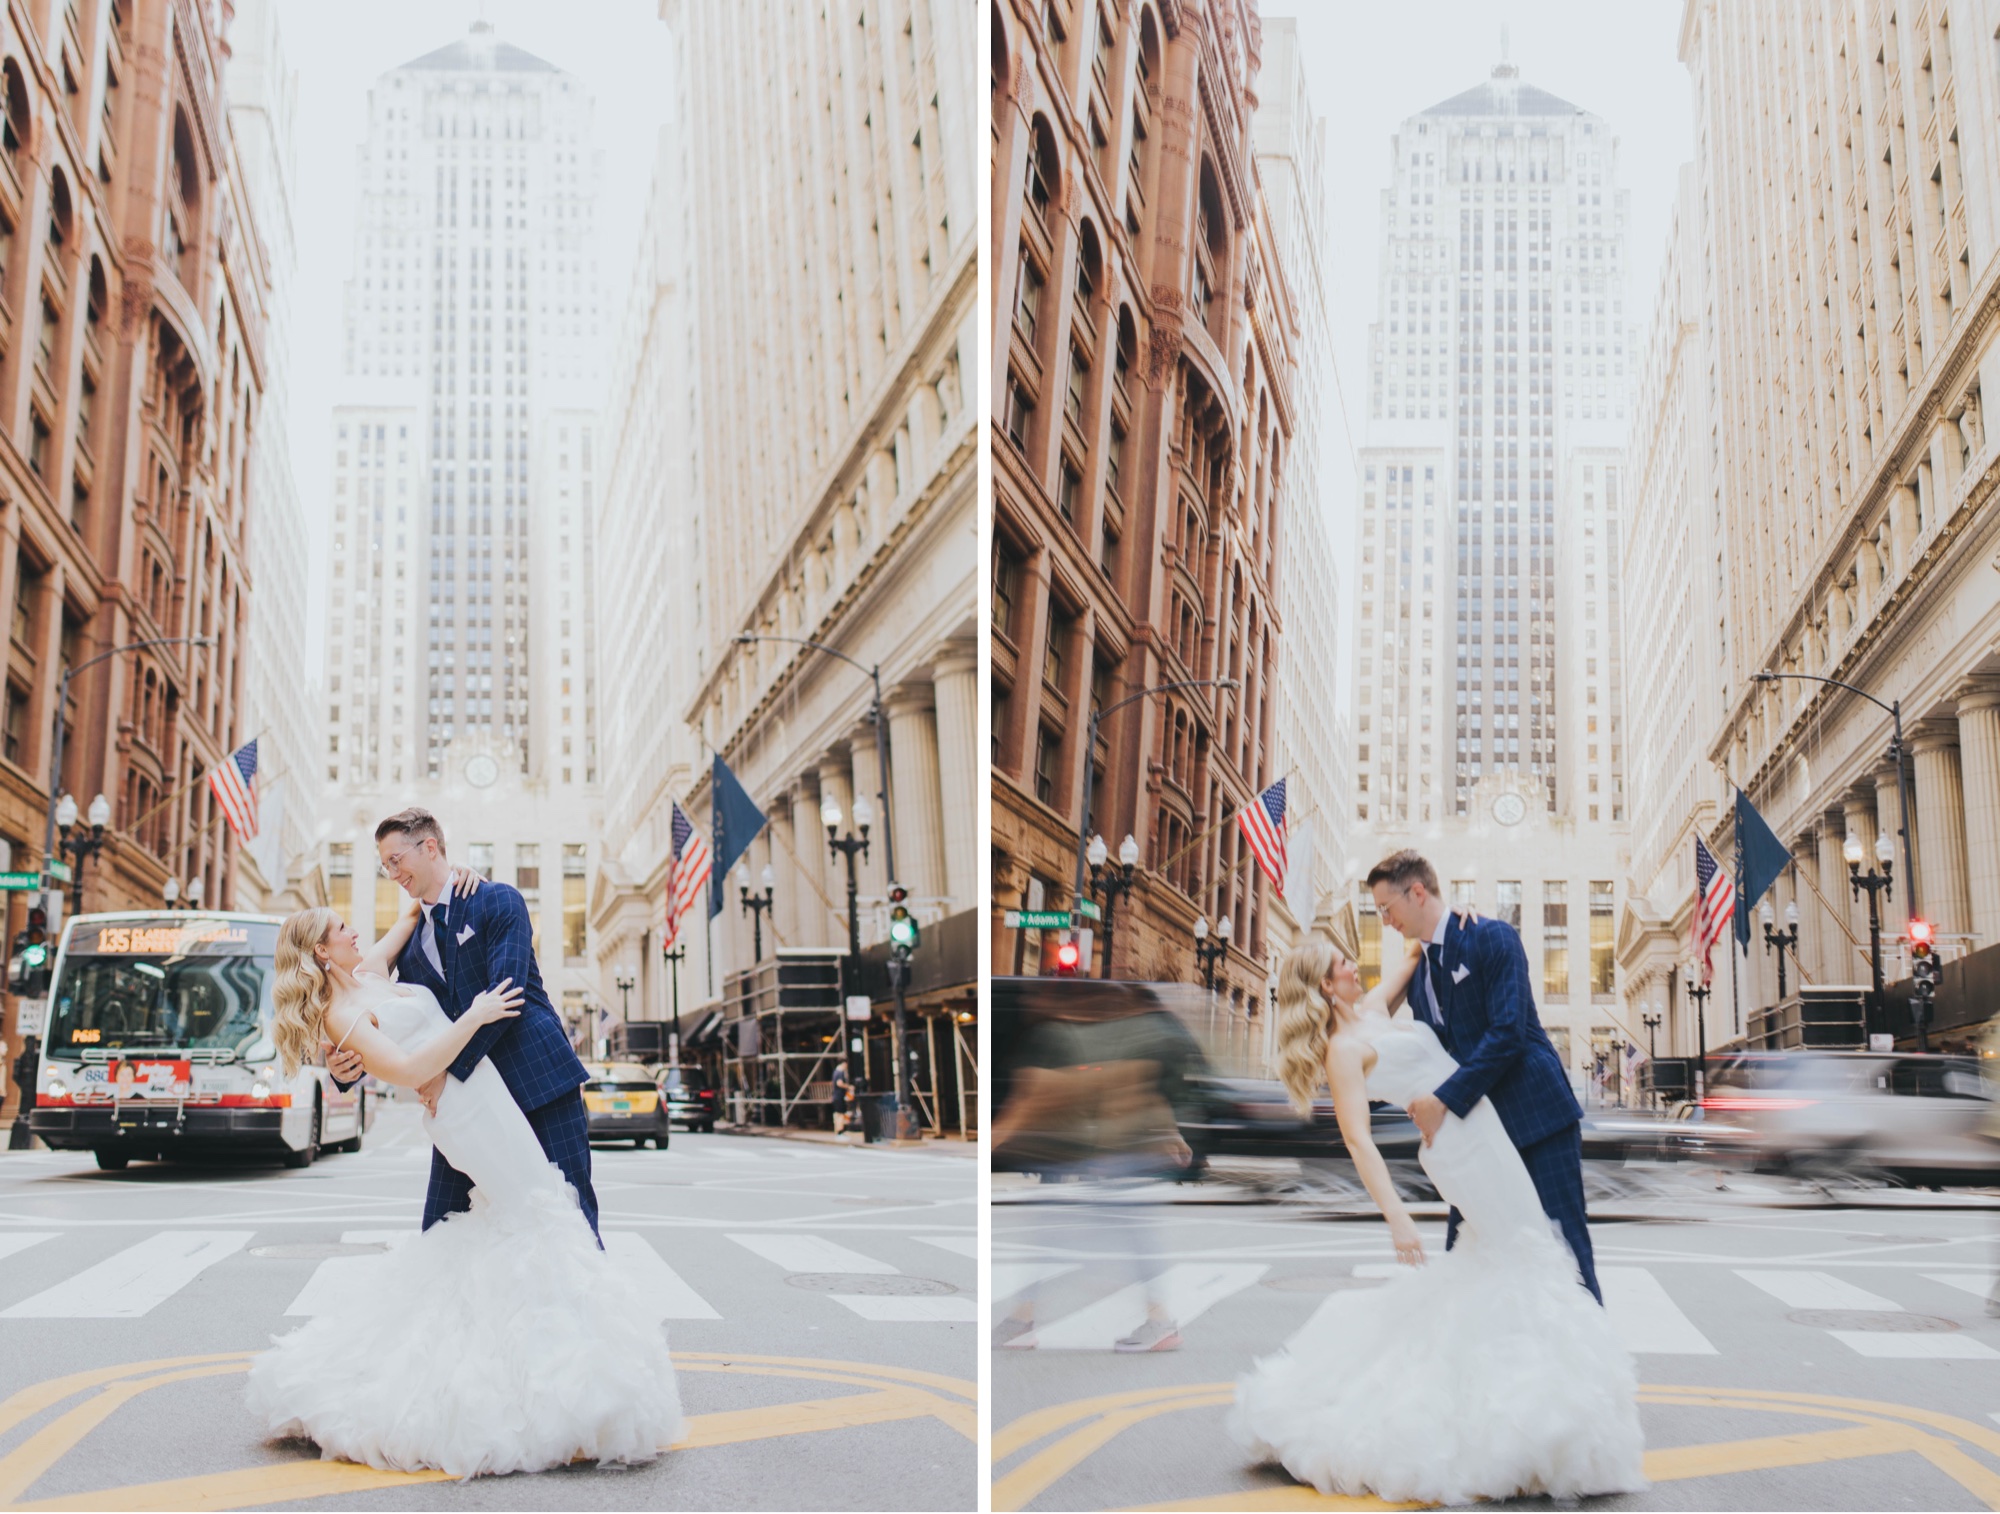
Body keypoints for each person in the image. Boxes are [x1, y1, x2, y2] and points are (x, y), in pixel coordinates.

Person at [245, 887, 683, 1477]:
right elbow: (407, 1069)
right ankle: (562, 1378)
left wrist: (456, 876)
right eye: (340, 928)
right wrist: (474, 1016)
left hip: (485, 1091)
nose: (353, 931)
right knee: (538, 1210)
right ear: (322, 952)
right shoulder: (342, 1017)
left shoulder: (370, 970)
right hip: (462, 1108)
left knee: (531, 1212)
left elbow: (412, 908)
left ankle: (545, 1363)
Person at [1229, 905, 1646, 1504]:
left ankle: (1527, 1396)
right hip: (1461, 1148)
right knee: (1525, 1250)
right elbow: (1358, 1141)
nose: (1353, 965)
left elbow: (1417, 948)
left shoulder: (1373, 1011)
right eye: (1343, 963)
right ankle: (1542, 1406)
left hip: (1484, 1127)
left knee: (1517, 1254)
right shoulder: (1342, 1050)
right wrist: (1398, 1218)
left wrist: (1460, 915)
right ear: (1324, 984)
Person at [326, 809, 601, 1239]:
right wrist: (344, 1069)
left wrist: (443, 1073)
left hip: (537, 1082)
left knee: (567, 1216)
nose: (392, 874)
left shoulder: (498, 900)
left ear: (429, 847)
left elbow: (508, 995)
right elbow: (391, 1022)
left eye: (396, 860)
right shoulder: (409, 949)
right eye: (385, 866)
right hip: (465, 1106)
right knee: (442, 1228)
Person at [990, 980, 1203, 1353]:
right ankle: (1022, 1321)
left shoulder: (1057, 1037)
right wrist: (1170, 1133)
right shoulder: (1115, 1034)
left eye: (1038, 995)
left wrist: (993, 1141)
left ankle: (1023, 1322)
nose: (1032, 1000)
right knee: (1113, 1235)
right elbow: (1144, 1089)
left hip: (1102, 1156)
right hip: (1104, 1156)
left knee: (1065, 1236)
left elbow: (1031, 1098)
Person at [831, 1060, 853, 1136]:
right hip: (839, 1096)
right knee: (841, 1114)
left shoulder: (835, 1072)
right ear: (844, 1063)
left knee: (837, 1114)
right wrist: (848, 1087)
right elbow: (839, 1083)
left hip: (835, 1096)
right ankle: (840, 1131)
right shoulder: (840, 1072)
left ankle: (837, 1130)